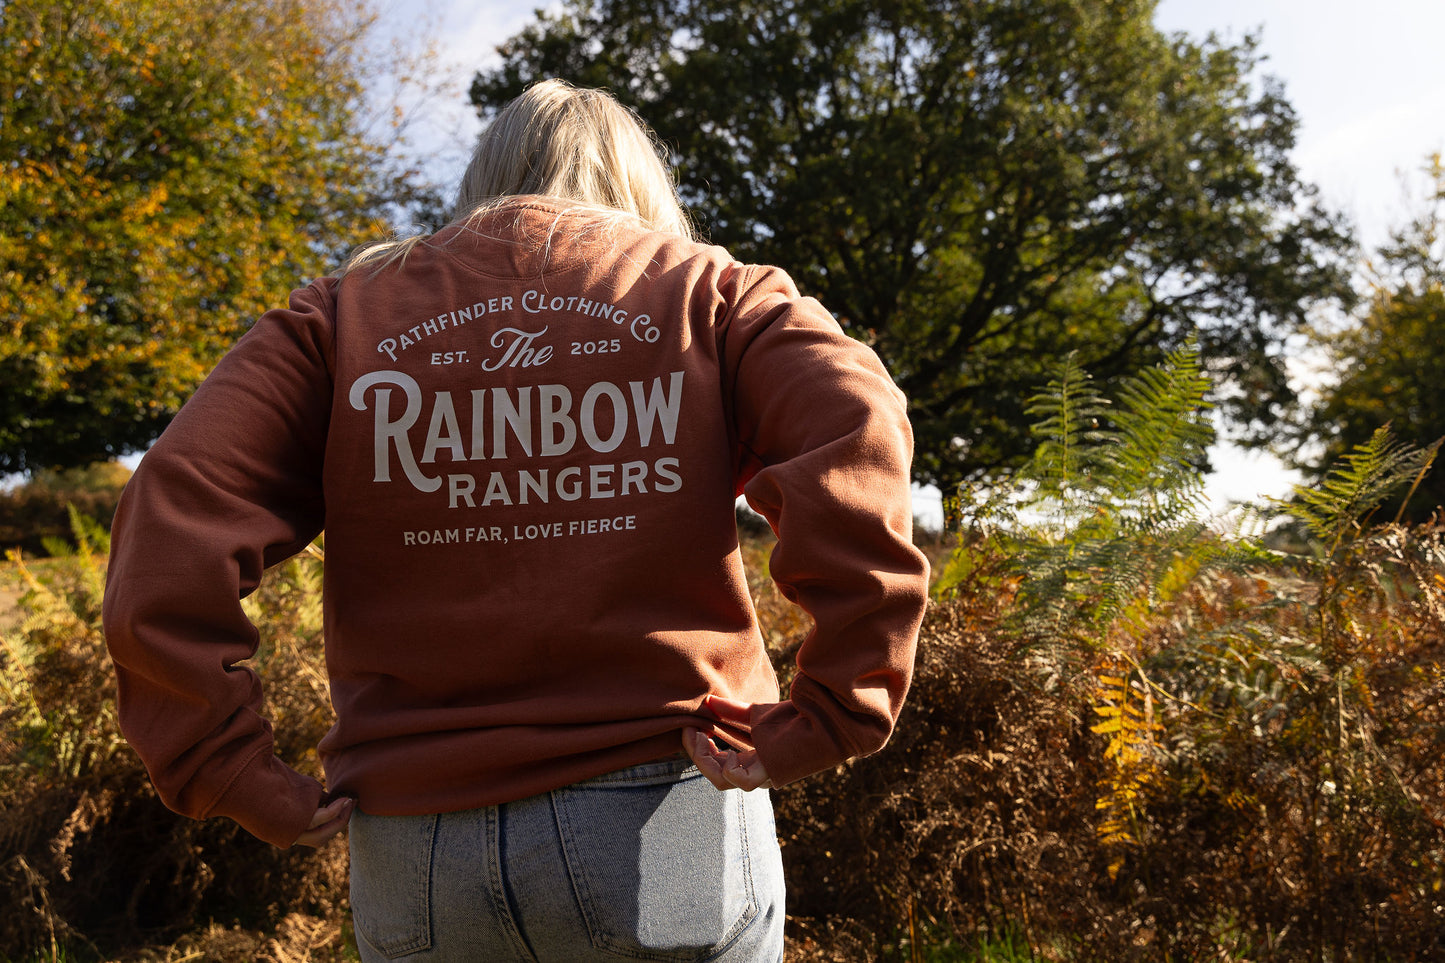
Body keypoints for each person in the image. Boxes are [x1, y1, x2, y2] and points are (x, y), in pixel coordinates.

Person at [103, 79, 929, 962]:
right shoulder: (715, 297)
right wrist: (834, 706)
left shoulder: (341, 317)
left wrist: (223, 764)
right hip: (672, 800)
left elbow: (172, 509)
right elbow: (857, 424)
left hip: (417, 845)